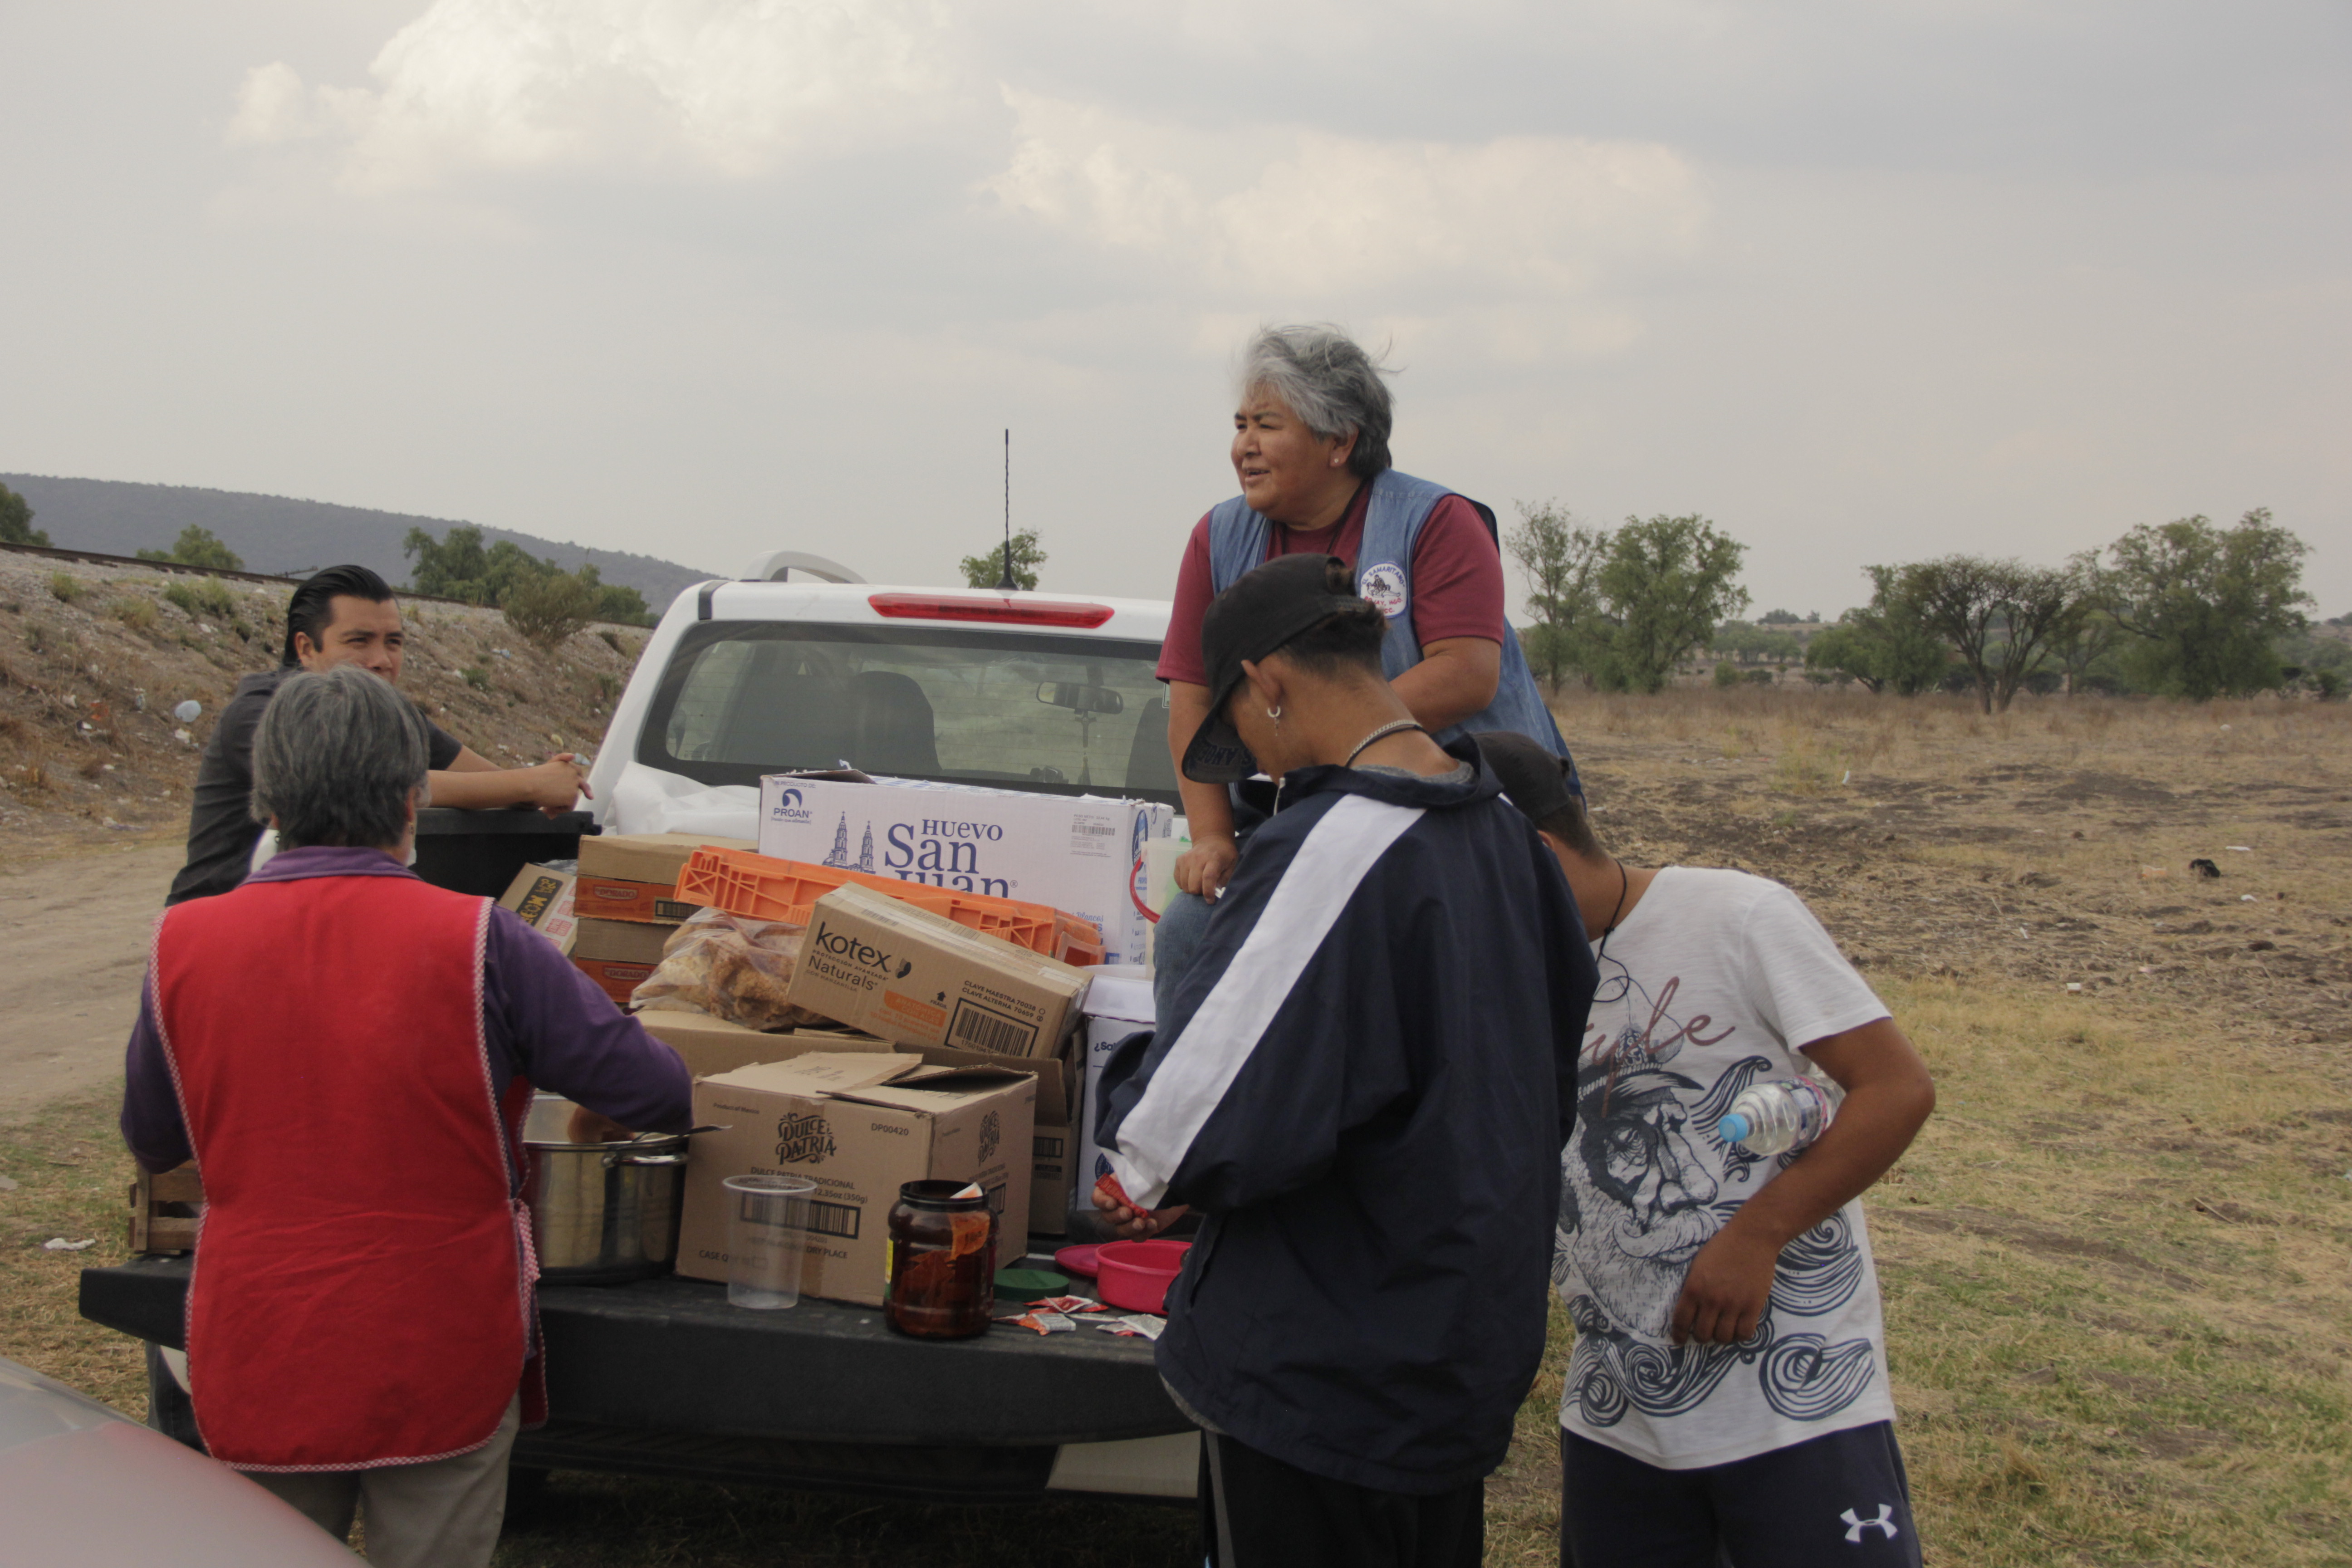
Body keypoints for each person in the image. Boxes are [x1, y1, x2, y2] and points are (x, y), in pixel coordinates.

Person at [121, 665, 692, 1568]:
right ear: (409, 797)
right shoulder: (483, 942)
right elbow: (658, 1092)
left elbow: (154, 1138)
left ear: (268, 800)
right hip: (438, 1346)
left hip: (261, 1344)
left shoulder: (181, 943)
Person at [1094, 555, 1597, 1568]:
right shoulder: (1503, 827)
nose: (1259, 767)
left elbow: (1177, 1138)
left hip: (1323, 1372)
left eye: (1246, 732)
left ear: (1268, 682)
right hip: (1456, 1352)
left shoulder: (1334, 845)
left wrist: (1126, 1096)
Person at [1472, 730, 1938, 1568]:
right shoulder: (1501, 972)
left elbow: (1894, 1089)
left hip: (1790, 1406)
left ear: (1536, 855)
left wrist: (1754, 1236)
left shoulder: (1734, 916)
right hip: (1620, 1410)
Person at [1152, 323, 1578, 1018]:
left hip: (1461, 815)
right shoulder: (1218, 538)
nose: (1244, 446)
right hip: (1308, 823)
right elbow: (1193, 699)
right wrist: (1212, 837)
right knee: (1192, 933)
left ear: (1340, 441)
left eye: (1267, 424)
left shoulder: (1436, 522)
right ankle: (1189, 1121)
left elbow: (1467, 674)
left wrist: (1322, 742)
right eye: (1239, 425)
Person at [166, 564, 590, 906]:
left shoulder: (384, 715)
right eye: (359, 641)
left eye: (394, 642)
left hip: (313, 922)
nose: (381, 660)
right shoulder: (264, 715)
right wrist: (531, 782)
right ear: (306, 648)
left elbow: (488, 781)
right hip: (217, 929)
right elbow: (368, 784)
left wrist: (545, 782)